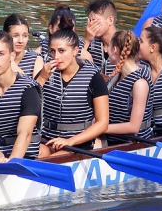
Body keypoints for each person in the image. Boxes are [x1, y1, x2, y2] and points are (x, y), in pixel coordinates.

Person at [39, 29, 109, 157]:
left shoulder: (94, 78)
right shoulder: (45, 72)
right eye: (52, 51)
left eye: (61, 51)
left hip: (78, 144)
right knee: (34, 155)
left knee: (51, 160)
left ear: (75, 51)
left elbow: (102, 123)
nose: (56, 57)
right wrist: (41, 79)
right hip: (46, 140)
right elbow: (28, 106)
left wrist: (70, 141)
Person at [0, 31, 41, 161]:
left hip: (19, 154)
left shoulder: (28, 89)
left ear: (11, 55)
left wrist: (12, 161)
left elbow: (25, 133)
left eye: (0, 54)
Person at [103, 31, 153, 141]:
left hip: (132, 143)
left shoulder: (140, 83)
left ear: (115, 50)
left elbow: (134, 127)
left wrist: (99, 128)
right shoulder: (117, 76)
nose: (106, 50)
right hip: (111, 139)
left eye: (109, 47)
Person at [83, 0, 118, 77]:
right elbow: (75, 59)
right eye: (90, 21)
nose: (90, 25)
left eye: (95, 21)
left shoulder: (125, 42)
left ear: (110, 20)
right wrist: (86, 40)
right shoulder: (91, 43)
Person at [2, 14, 43, 79]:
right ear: (5, 36)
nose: (20, 41)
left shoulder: (35, 59)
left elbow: (37, 87)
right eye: (15, 36)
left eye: (25, 36)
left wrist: (11, 63)